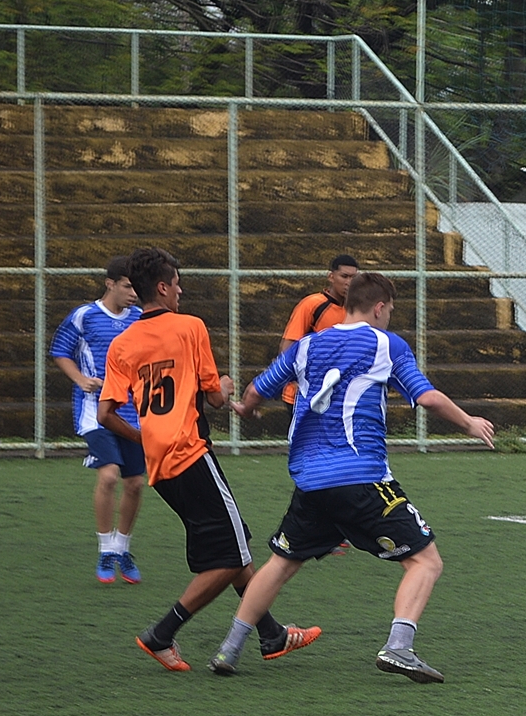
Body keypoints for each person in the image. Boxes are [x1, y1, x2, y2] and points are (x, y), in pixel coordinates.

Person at [207, 271, 494, 682]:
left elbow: (259, 389)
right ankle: (399, 648)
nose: (390, 318)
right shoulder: (385, 344)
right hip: (361, 475)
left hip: (310, 479)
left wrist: (247, 409)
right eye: (390, 311)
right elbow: (425, 395)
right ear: (379, 307)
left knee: (283, 561)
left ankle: (229, 649)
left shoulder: (306, 346)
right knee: (425, 561)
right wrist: (468, 423)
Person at [98, 246, 320, 671]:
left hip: (160, 464)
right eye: (177, 283)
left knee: (230, 547)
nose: (181, 290)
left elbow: (106, 414)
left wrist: (144, 438)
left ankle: (271, 634)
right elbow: (216, 398)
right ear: (163, 288)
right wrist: (227, 383)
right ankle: (161, 634)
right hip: (191, 452)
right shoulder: (189, 327)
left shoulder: (122, 343)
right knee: (232, 556)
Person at [50, 256, 146, 585]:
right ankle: (105, 548)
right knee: (109, 476)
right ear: (110, 284)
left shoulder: (141, 319)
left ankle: (122, 548)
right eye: (128, 286)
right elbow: (60, 350)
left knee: (135, 483)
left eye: (137, 287)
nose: (134, 293)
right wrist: (79, 379)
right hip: (95, 411)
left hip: (133, 413)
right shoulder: (85, 316)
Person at [276, 253, 359, 554]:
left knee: (335, 460)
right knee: (316, 460)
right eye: (344, 276)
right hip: (304, 399)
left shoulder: (355, 310)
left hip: (337, 403)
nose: (349, 282)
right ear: (330, 276)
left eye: (354, 276)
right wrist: (293, 381)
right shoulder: (313, 305)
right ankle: (301, 530)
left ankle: (324, 528)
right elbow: (288, 347)